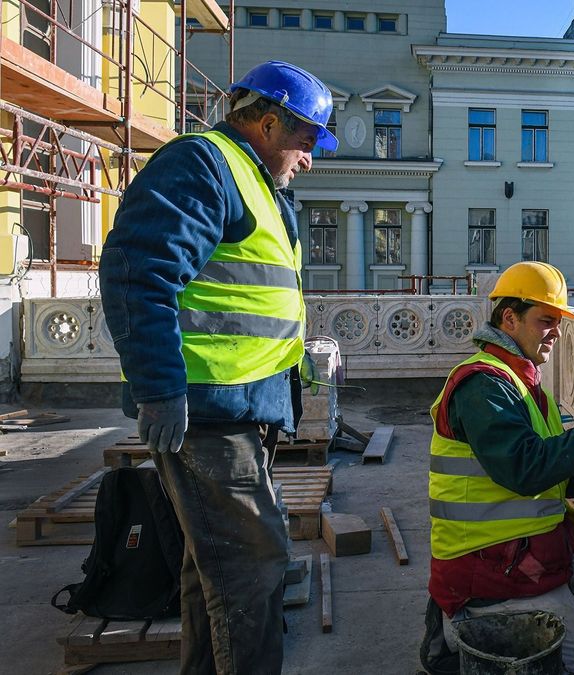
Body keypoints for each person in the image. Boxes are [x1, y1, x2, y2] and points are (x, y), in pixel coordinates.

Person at [98, 61, 337, 674]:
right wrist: (159, 388)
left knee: (217, 571)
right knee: (255, 565)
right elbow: (139, 272)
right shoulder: (204, 163)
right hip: (204, 412)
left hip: (239, 409)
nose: (309, 159)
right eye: (307, 141)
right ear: (268, 122)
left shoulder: (254, 182)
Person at [421, 261, 574, 674]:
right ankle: (466, 621)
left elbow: (552, 476)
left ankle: (547, 605)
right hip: (486, 566)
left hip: (532, 548)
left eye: (558, 323)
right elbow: (525, 471)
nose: (555, 332)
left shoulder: (525, 381)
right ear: (510, 318)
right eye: (545, 321)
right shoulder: (483, 384)